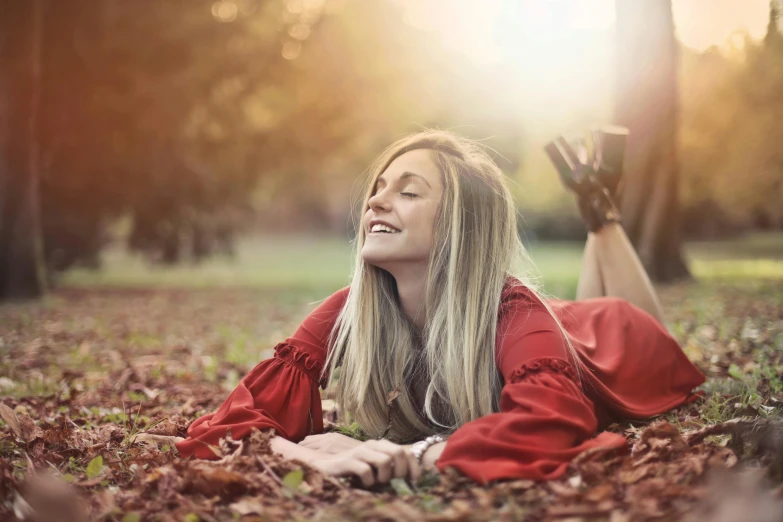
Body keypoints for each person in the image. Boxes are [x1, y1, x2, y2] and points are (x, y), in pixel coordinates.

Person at [174, 129, 705, 487]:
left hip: (611, 343)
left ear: (458, 226)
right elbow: (229, 427)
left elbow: (551, 425)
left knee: (618, 316)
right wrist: (305, 453)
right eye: (378, 189)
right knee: (576, 313)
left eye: (408, 192)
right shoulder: (351, 309)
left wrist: (423, 454)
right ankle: (596, 195)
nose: (375, 202)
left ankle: (600, 210)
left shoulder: (514, 311)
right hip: (550, 330)